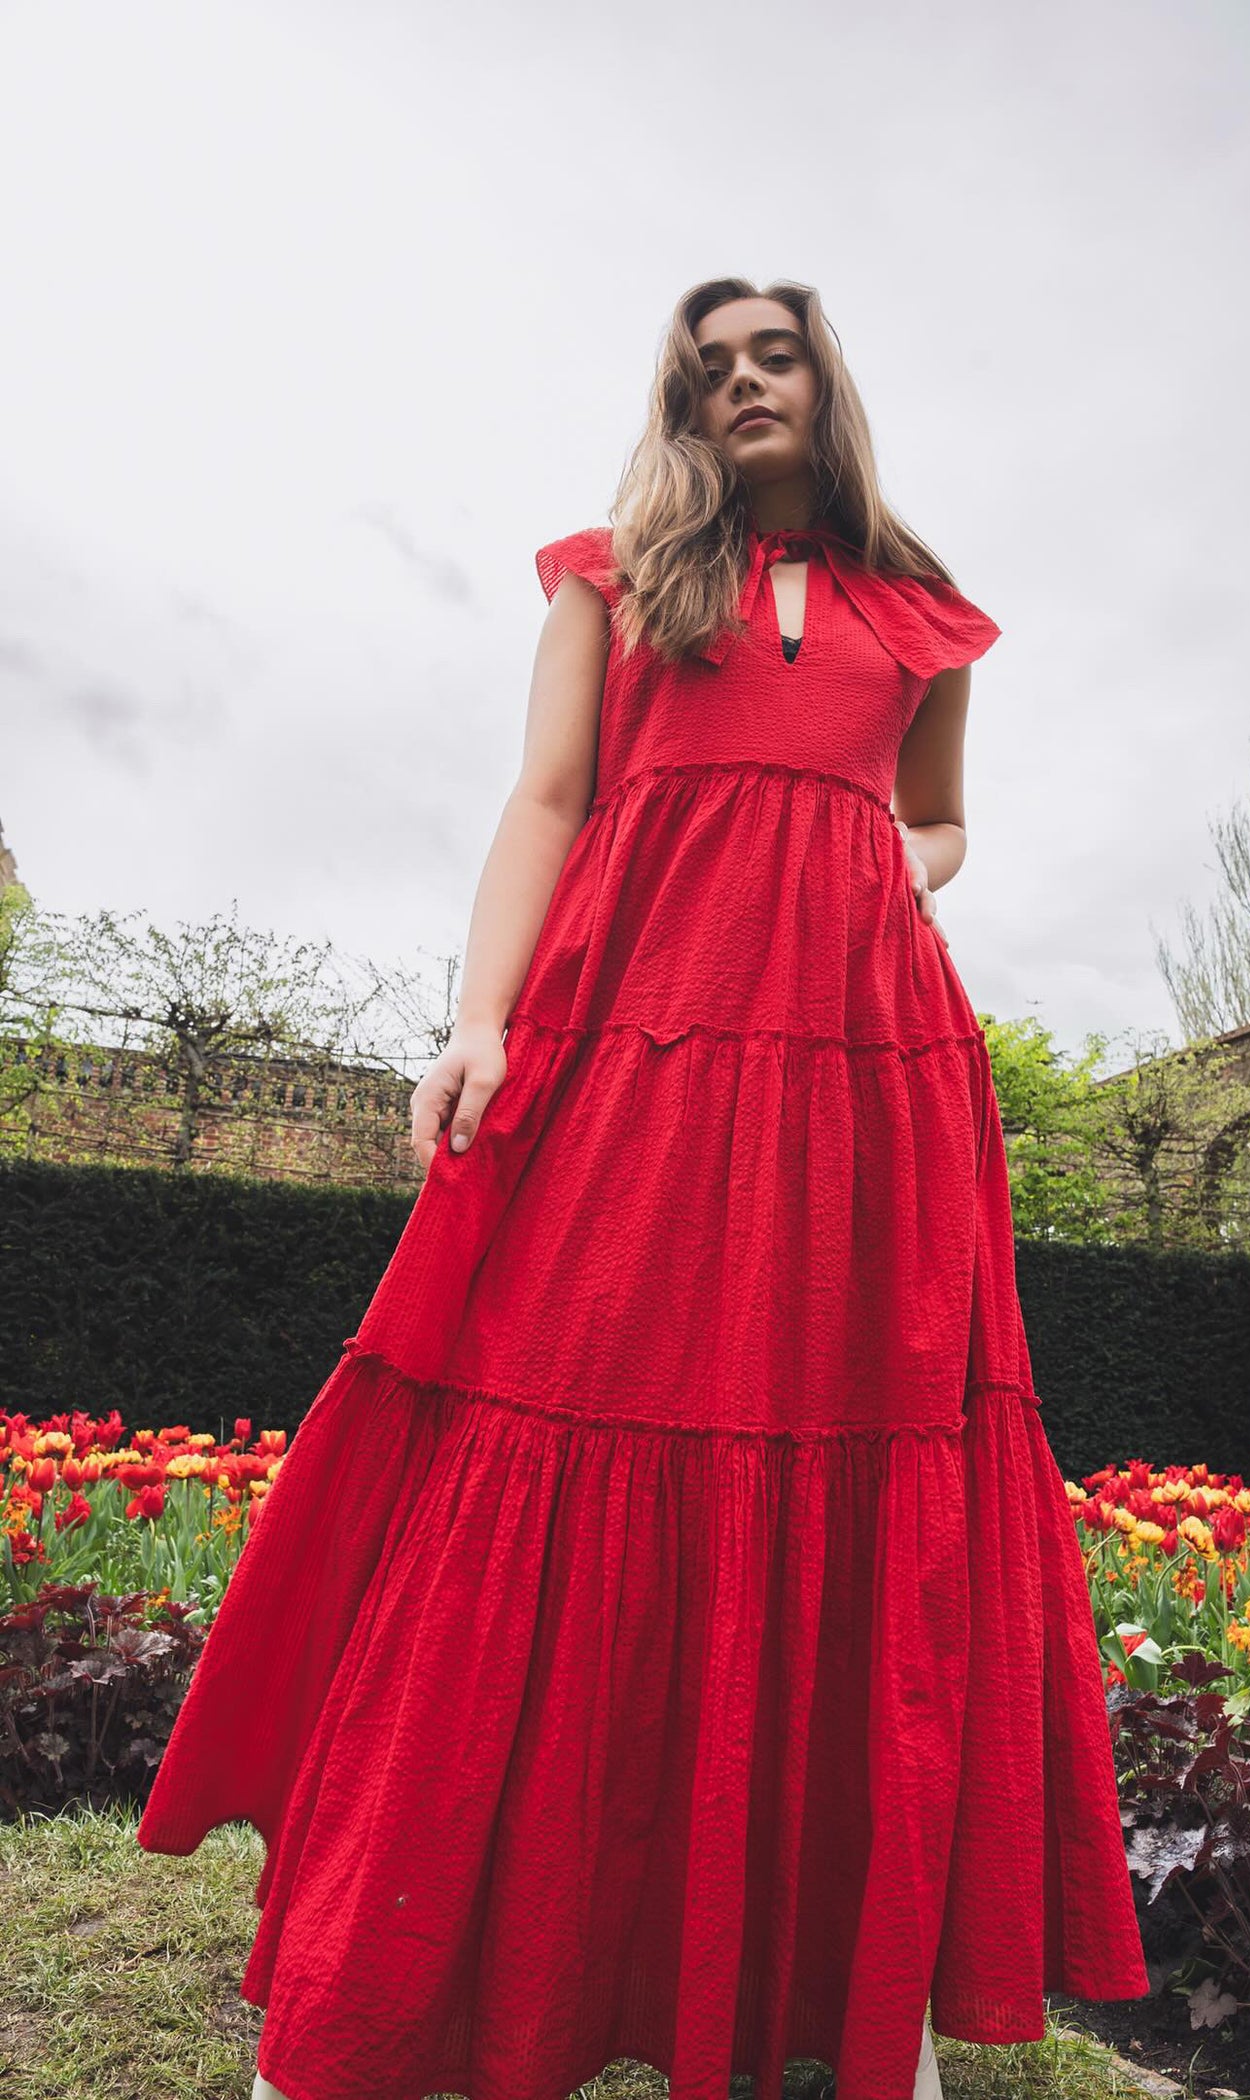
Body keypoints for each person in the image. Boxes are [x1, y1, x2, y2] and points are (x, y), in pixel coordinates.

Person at [137, 274, 1150, 2100]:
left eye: (772, 357)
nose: (742, 384)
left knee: (850, 1432)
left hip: (863, 1078)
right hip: (635, 1039)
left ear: (825, 384)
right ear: (679, 405)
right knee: (553, 1403)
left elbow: (944, 822)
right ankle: (396, 1988)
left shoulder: (923, 619)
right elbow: (545, 803)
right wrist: (479, 1023)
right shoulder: (614, 580)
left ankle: (840, 2013)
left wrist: (869, 866)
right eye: (709, 369)